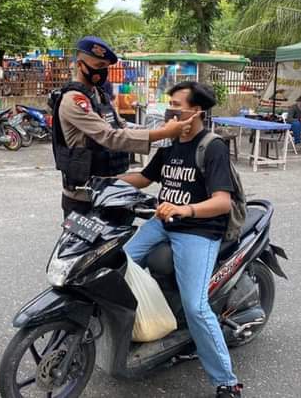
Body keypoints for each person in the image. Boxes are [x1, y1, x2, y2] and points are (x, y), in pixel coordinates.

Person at [120, 81, 243, 398]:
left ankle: (225, 381)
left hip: (198, 229)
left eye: (177, 104)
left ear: (196, 111)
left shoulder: (212, 146)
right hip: (164, 222)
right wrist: (106, 182)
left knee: (196, 306)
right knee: (117, 265)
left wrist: (184, 209)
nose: (170, 109)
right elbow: (146, 177)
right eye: (169, 103)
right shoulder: (171, 142)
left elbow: (222, 202)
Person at [52, 35, 194, 218]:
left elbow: (122, 126)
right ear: (80, 65)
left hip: (110, 191)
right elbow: (109, 137)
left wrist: (161, 130)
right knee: (89, 247)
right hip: (84, 196)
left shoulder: (98, 94)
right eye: (98, 67)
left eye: (106, 67)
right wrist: (163, 133)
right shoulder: (74, 99)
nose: (103, 72)